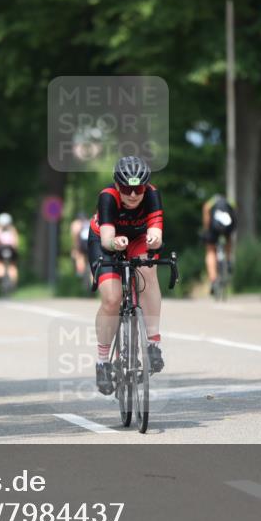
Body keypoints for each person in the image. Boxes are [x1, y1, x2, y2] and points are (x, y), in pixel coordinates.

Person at [89, 156, 164, 395]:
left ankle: (153, 344)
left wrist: (155, 239)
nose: (133, 194)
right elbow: (107, 239)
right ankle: (102, 362)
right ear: (117, 186)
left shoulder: (152, 195)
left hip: (138, 238)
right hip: (106, 241)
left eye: (138, 188)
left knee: (147, 271)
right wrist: (114, 242)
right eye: (127, 189)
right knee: (112, 300)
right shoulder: (108, 197)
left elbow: (157, 234)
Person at [201, 193, 237, 292]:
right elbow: (234, 211)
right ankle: (229, 260)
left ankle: (213, 279)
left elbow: (206, 208)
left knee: (210, 251)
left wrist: (206, 227)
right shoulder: (228, 201)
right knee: (229, 240)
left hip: (213, 228)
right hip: (227, 228)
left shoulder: (213, 200)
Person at [69, 212, 91, 280]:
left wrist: (76, 248)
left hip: (81, 244)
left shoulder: (76, 224)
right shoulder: (89, 222)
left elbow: (75, 236)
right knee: (90, 262)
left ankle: (80, 274)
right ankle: (91, 278)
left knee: (79, 257)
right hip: (90, 244)